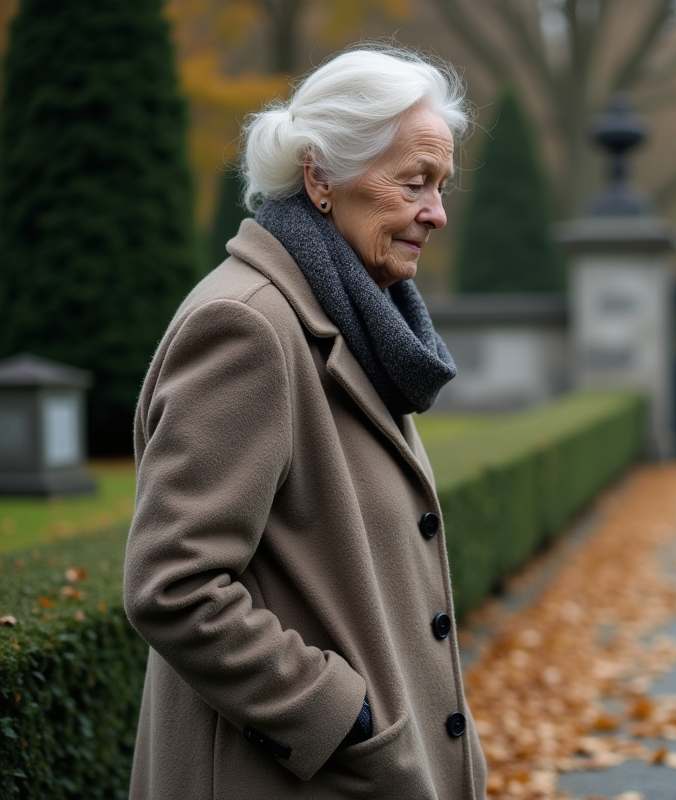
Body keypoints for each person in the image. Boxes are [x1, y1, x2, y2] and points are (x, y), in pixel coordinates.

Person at [122, 46, 487, 799]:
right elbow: (174, 585)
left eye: (441, 185)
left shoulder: (352, 317)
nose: (437, 212)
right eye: (413, 181)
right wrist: (338, 717)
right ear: (321, 177)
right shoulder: (250, 327)